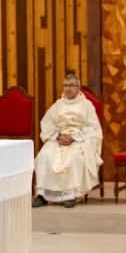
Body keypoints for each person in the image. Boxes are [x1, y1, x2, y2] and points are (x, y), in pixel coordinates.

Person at [32, 74, 103, 208]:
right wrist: (58, 136)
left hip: (79, 139)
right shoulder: (58, 104)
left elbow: (93, 128)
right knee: (44, 156)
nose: (68, 88)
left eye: (71, 85)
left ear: (78, 88)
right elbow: (47, 123)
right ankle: (42, 195)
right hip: (58, 138)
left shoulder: (87, 105)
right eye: (65, 85)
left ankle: (71, 196)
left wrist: (73, 137)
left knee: (75, 157)